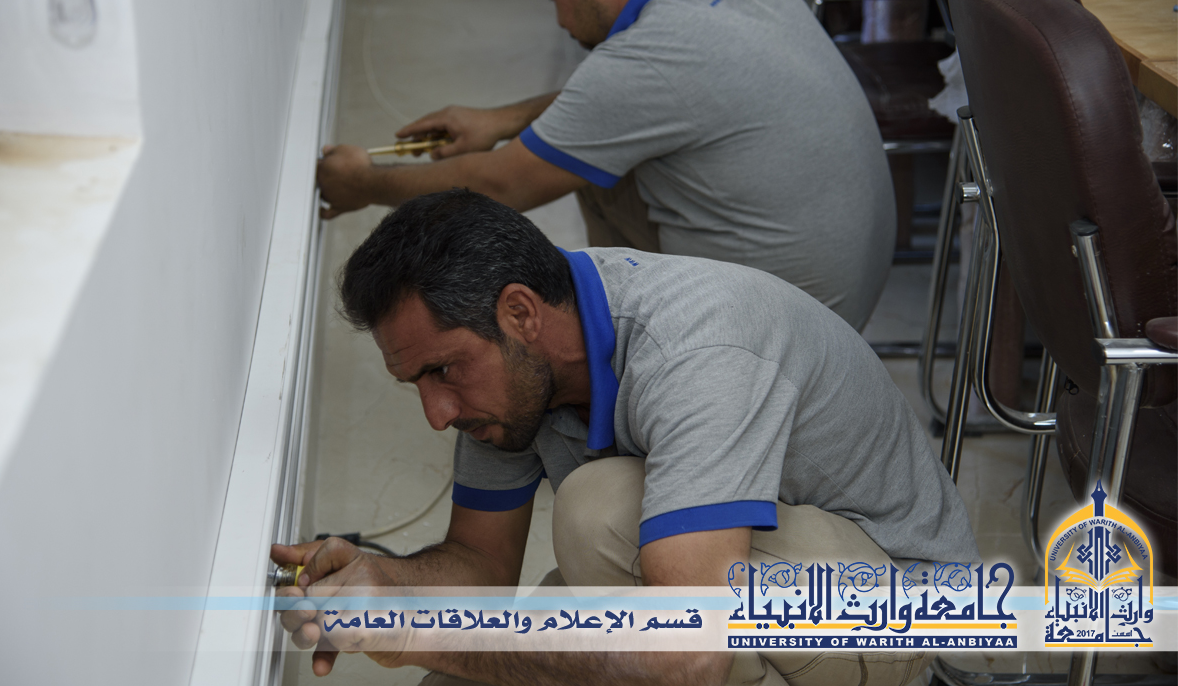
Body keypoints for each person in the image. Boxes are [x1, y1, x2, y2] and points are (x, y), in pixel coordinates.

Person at [271, 190, 979, 686]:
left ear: (520, 314)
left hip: (901, 612)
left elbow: (686, 655)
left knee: (597, 512)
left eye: (443, 371)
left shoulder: (697, 351)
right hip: (746, 578)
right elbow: (479, 567)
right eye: (417, 383)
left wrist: (418, 633)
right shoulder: (512, 378)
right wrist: (385, 582)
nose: (436, 412)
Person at [314, 0, 896, 331]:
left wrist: (363, 183)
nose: (560, 19)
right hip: (841, 296)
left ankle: (634, 352)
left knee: (584, 182)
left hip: (777, 330)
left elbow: (502, 184)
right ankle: (622, 331)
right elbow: (635, 101)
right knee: (595, 163)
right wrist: (501, 120)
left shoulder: (650, 58)